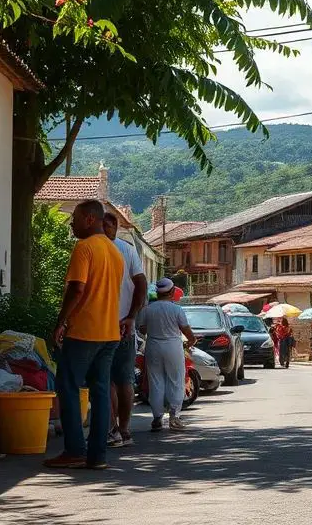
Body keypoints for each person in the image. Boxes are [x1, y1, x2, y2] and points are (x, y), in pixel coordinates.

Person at [45, 199, 125, 470]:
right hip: (110, 333)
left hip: (84, 332)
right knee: (100, 393)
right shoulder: (115, 252)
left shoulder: (84, 247)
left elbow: (77, 289)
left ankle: (74, 450)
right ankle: (97, 455)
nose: (71, 223)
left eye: (75, 218)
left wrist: (60, 321)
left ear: (90, 219)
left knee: (67, 387)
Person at [102, 212, 148, 449]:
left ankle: (115, 430)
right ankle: (122, 430)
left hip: (106, 326)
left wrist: (131, 317)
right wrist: (132, 316)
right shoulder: (128, 250)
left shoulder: (93, 248)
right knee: (122, 379)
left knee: (111, 380)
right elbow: (141, 283)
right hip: (122, 325)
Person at [137, 278, 197, 431]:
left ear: (157, 292)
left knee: (155, 381)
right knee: (176, 380)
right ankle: (174, 417)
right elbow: (186, 329)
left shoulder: (147, 309)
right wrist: (192, 340)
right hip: (173, 346)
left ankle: (157, 418)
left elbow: (142, 329)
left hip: (153, 346)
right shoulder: (176, 309)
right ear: (171, 292)